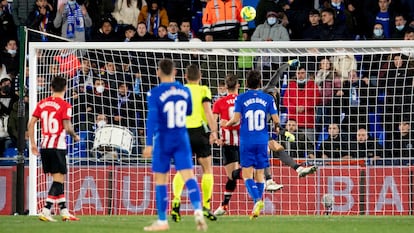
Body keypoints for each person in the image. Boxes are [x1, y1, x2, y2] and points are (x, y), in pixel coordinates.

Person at [142, 59, 207, 231]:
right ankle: (198, 211)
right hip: (181, 137)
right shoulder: (184, 90)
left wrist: (148, 144)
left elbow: (152, 120)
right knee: (189, 176)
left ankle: (162, 221)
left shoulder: (155, 93)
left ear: (158, 72)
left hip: (164, 139)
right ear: (175, 72)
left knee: (161, 179)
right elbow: (189, 111)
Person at [225, 70, 278, 219]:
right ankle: (257, 207)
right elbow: (276, 119)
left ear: (246, 83)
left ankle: (257, 200)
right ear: (260, 83)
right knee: (260, 174)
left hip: (247, 140)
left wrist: (226, 125)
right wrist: (278, 127)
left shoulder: (241, 98)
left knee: (247, 174)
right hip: (262, 140)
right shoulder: (267, 98)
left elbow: (235, 119)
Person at [27, 76, 80, 222]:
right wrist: (75, 136)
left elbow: (31, 124)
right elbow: (67, 127)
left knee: (59, 179)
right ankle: (45, 210)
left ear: (51, 88)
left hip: (45, 146)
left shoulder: (42, 103)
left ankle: (64, 211)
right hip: (58, 147)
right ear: (65, 88)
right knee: (58, 180)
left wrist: (32, 144)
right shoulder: (65, 105)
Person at [171, 64, 218, 222]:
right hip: (199, 133)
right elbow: (207, 110)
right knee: (207, 169)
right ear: (200, 77)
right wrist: (214, 131)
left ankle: (176, 201)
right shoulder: (204, 89)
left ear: (185, 77)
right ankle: (205, 206)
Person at [212, 74, 240, 216]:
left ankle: (224, 205)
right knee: (235, 175)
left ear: (225, 86)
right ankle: (258, 177)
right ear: (238, 86)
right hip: (244, 142)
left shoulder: (219, 102)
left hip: (228, 143)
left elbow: (213, 121)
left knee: (232, 176)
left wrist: (215, 137)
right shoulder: (243, 100)